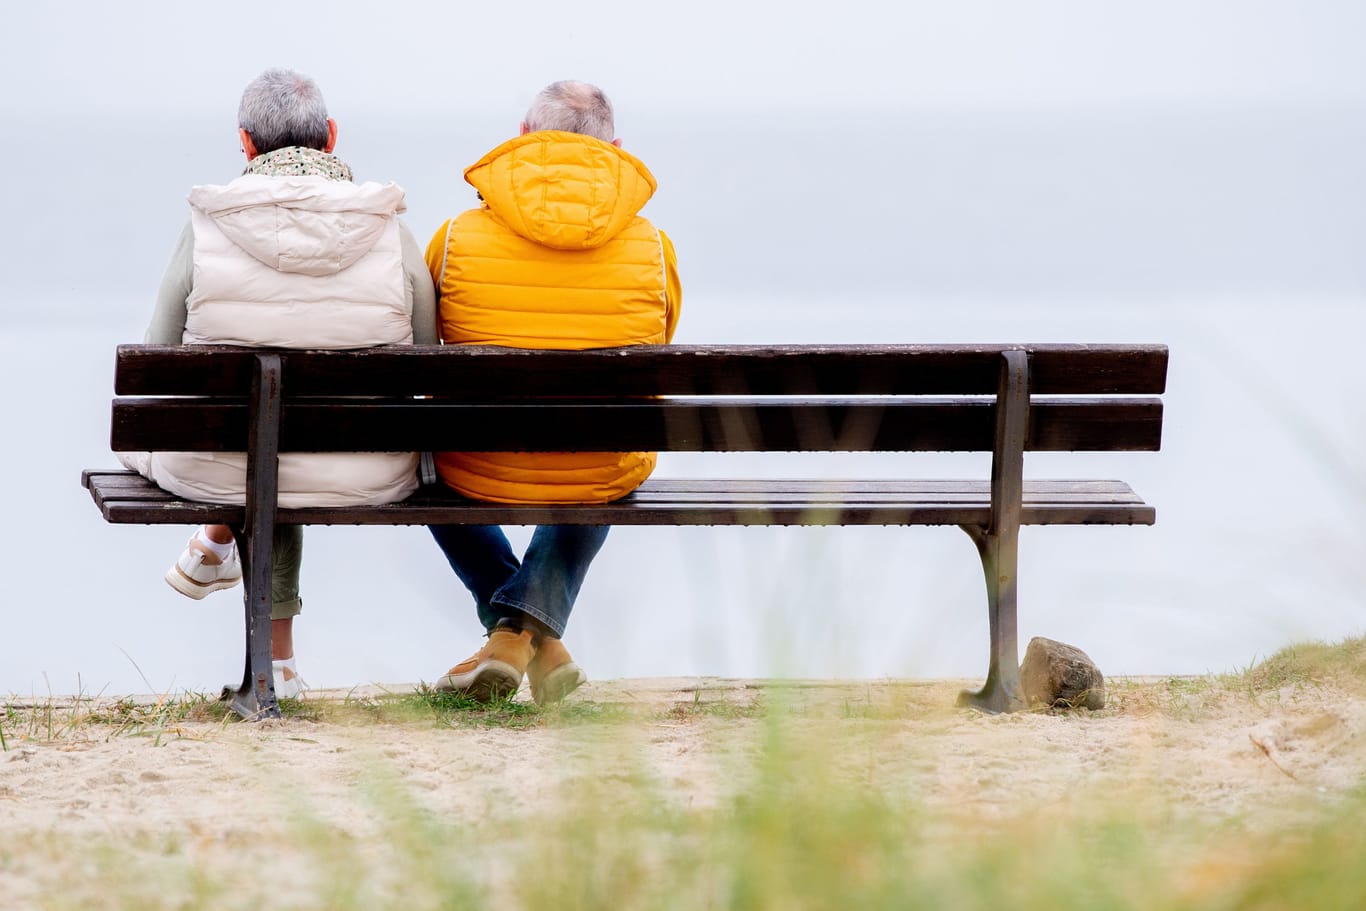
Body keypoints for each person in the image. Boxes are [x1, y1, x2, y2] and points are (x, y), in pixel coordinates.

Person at [123, 68, 438, 697]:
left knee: (262, 431)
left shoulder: (206, 228)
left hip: (217, 467)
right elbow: (429, 359)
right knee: (280, 427)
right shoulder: (389, 230)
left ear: (244, 143)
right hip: (370, 469)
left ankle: (217, 547)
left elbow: (158, 356)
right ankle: (276, 653)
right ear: (331, 137)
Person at [425, 80, 681, 704]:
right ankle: (536, 635)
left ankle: (511, 637)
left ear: (522, 137)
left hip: (476, 466)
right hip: (597, 464)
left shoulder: (455, 237)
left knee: (424, 464)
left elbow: (426, 350)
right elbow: (661, 339)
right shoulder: (652, 246)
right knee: (601, 460)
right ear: (615, 149)